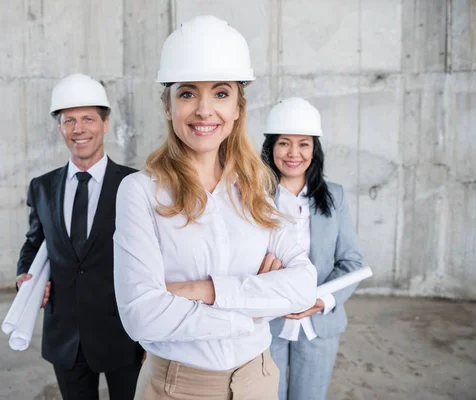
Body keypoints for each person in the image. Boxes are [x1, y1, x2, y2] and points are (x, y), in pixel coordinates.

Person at [113, 16, 317, 400]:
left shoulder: (257, 188)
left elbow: (304, 287)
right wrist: (257, 307)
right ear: (168, 105)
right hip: (175, 386)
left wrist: (199, 290)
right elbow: (142, 315)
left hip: (257, 379)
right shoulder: (139, 192)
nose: (205, 110)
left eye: (221, 93)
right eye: (188, 93)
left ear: (238, 107)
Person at [16, 73, 142, 400]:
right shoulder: (41, 187)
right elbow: (34, 242)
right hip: (65, 335)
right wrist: (24, 275)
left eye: (88, 119)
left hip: (123, 331)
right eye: (68, 120)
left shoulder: (135, 185)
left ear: (105, 124)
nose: (78, 129)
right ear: (60, 129)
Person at [261, 97, 364, 400]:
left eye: (303, 144)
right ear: (271, 148)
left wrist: (321, 301)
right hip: (266, 324)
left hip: (319, 324)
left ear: (314, 150)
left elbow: (351, 261)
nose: (294, 153)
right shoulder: (252, 195)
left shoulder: (335, 196)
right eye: (284, 143)